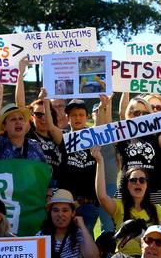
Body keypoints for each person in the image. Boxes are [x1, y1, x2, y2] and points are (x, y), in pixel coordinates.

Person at [92, 146, 161, 257]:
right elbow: (102, 196)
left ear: (147, 185)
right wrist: (100, 161)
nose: (138, 183)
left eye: (142, 180)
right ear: (126, 185)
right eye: (133, 180)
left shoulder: (157, 209)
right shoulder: (119, 206)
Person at [111, 95, 161, 219]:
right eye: (137, 112)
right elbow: (110, 125)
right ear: (129, 114)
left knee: (157, 230)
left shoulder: (156, 135)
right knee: (125, 229)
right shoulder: (123, 135)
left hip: (153, 191)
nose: (141, 116)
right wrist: (106, 105)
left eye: (145, 113)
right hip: (127, 191)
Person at [56, 99, 101, 237]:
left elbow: (103, 125)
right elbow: (51, 128)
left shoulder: (94, 136)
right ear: (68, 118)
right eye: (73, 115)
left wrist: (105, 106)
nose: (77, 118)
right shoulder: (62, 137)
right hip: (67, 204)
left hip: (89, 203)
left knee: (85, 239)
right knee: (66, 239)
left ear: (87, 117)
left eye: (81, 114)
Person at [0, 86, 45, 162]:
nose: (18, 122)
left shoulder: (35, 145)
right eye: (13, 119)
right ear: (4, 126)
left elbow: (43, 170)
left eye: (21, 119)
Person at [36, 189, 99, 258]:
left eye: (65, 210)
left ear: (73, 213)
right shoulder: (42, 235)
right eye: (56, 210)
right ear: (50, 213)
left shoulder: (78, 234)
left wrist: (82, 226)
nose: (60, 214)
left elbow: (93, 256)